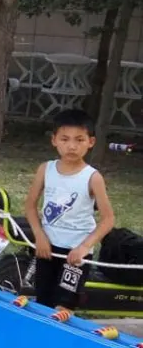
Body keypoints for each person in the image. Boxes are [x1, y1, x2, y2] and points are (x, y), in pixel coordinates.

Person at [24, 109, 115, 313]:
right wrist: (40, 236)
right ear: (54, 140)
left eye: (79, 140)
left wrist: (84, 247)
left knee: (63, 307)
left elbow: (108, 219)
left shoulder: (92, 177)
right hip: (46, 248)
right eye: (65, 139)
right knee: (43, 302)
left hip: (75, 254)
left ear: (91, 142)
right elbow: (30, 205)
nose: (72, 146)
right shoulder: (45, 169)